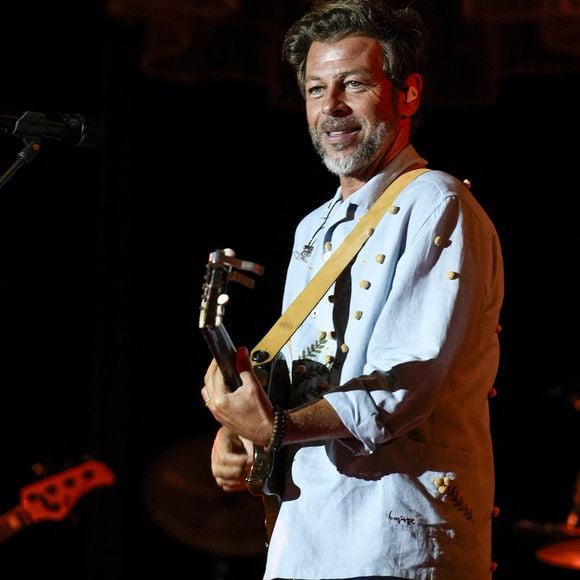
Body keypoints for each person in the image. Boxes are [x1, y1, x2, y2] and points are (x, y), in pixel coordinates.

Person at [201, 1, 504, 578]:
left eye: (354, 84)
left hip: (395, 540)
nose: (331, 107)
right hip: (306, 537)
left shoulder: (435, 203)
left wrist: (277, 427)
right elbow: (304, 374)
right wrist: (241, 431)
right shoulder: (313, 226)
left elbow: (404, 383)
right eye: (316, 89)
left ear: (408, 94)